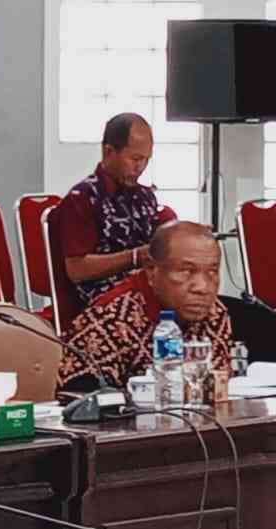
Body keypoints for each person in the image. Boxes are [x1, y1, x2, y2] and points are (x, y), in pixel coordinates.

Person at [57, 221, 236, 392]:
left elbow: (219, 389)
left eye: (212, 272)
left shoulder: (215, 312)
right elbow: (76, 401)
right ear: (151, 271)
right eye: (186, 271)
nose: (202, 287)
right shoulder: (110, 319)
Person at [50, 113, 176, 314]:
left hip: (145, 290)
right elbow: (77, 269)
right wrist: (136, 256)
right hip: (104, 303)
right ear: (109, 152)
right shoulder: (82, 198)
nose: (140, 168)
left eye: (146, 160)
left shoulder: (145, 196)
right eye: (135, 159)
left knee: (201, 301)